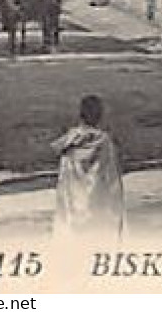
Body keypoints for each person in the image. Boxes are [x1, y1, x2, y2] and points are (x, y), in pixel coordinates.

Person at [52, 95, 124, 240]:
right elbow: (111, 177)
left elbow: (64, 173)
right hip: (97, 199)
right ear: (99, 116)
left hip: (73, 198)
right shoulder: (103, 141)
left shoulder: (69, 140)